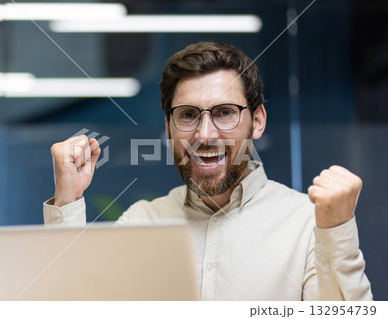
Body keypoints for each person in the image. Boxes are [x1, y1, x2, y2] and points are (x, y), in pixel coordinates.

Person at [43, 41, 372, 301]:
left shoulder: (308, 225)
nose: (204, 135)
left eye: (224, 112)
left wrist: (336, 230)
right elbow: (72, 307)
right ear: (169, 127)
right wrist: (68, 202)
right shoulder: (139, 222)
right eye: (187, 115)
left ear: (257, 121)